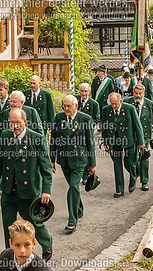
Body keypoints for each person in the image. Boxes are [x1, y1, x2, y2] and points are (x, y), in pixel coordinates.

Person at [0, 108, 53, 262]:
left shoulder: (36, 139)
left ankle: (47, 243)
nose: (14, 126)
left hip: (28, 191)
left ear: (25, 122)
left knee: (35, 223)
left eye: (17, 122)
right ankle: (11, 256)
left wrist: (46, 190)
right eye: (11, 123)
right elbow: (0, 162)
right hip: (8, 191)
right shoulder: (5, 136)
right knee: (9, 227)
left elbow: (46, 168)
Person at [50, 95, 96, 234]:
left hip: (79, 160)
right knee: (73, 186)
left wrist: (92, 164)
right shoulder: (59, 118)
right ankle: (79, 208)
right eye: (64, 106)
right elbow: (54, 140)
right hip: (64, 159)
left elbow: (90, 143)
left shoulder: (85, 119)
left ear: (76, 106)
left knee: (73, 186)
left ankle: (72, 220)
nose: (66, 109)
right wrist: (52, 159)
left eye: (69, 106)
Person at [101, 92, 144, 195]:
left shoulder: (129, 108)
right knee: (117, 165)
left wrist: (140, 141)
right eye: (112, 103)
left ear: (120, 101)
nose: (114, 106)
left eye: (115, 103)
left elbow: (137, 126)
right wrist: (106, 142)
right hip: (114, 141)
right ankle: (119, 189)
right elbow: (104, 127)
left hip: (128, 139)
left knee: (129, 162)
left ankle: (133, 177)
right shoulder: (106, 110)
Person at [124, 85, 153, 191]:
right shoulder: (127, 102)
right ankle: (134, 177)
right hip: (130, 134)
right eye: (136, 93)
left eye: (140, 94)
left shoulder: (150, 104)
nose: (138, 96)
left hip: (144, 135)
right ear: (133, 92)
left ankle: (144, 181)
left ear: (143, 93)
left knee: (144, 157)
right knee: (129, 159)